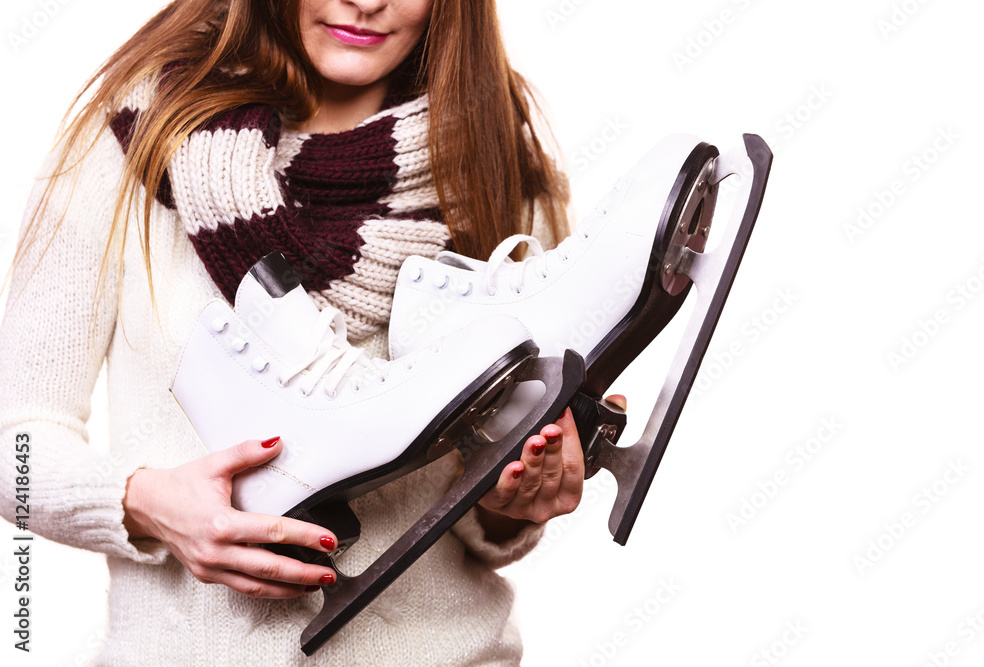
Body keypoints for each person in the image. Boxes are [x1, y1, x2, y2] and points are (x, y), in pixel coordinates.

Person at [0, 0, 625, 664]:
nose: (366, 1)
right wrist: (148, 504)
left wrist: (515, 497)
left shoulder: (490, 161)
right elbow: (14, 443)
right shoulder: (142, 135)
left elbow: (491, 499)